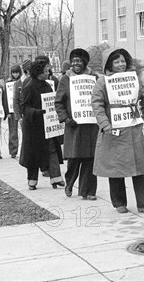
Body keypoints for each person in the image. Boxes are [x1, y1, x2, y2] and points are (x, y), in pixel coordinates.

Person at [91, 48, 144, 214]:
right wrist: (105, 124)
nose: (120, 64)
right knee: (116, 169)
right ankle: (119, 202)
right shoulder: (102, 82)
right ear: (109, 64)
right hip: (112, 131)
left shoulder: (134, 80)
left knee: (138, 168)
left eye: (122, 61)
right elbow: (97, 105)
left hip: (132, 129)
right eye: (116, 62)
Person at [55, 49, 99, 200]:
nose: (75, 64)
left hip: (91, 124)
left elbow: (100, 98)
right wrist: (66, 118)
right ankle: (69, 182)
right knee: (74, 158)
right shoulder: (65, 79)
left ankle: (88, 191)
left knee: (90, 158)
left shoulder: (94, 77)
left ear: (84, 62)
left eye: (79, 61)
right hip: (73, 125)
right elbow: (59, 102)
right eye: (73, 61)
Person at [19, 59, 65, 190]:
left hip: (47, 125)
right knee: (33, 154)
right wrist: (37, 112)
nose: (48, 73)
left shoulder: (47, 85)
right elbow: (24, 107)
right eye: (45, 71)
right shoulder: (29, 86)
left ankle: (56, 177)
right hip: (33, 126)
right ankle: (32, 181)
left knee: (52, 150)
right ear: (38, 72)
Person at [6, 64, 22, 158]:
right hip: (11, 111)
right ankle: (13, 151)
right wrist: (7, 111)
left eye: (17, 72)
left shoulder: (22, 82)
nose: (15, 75)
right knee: (13, 132)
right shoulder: (8, 83)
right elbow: (5, 98)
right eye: (13, 73)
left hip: (21, 110)